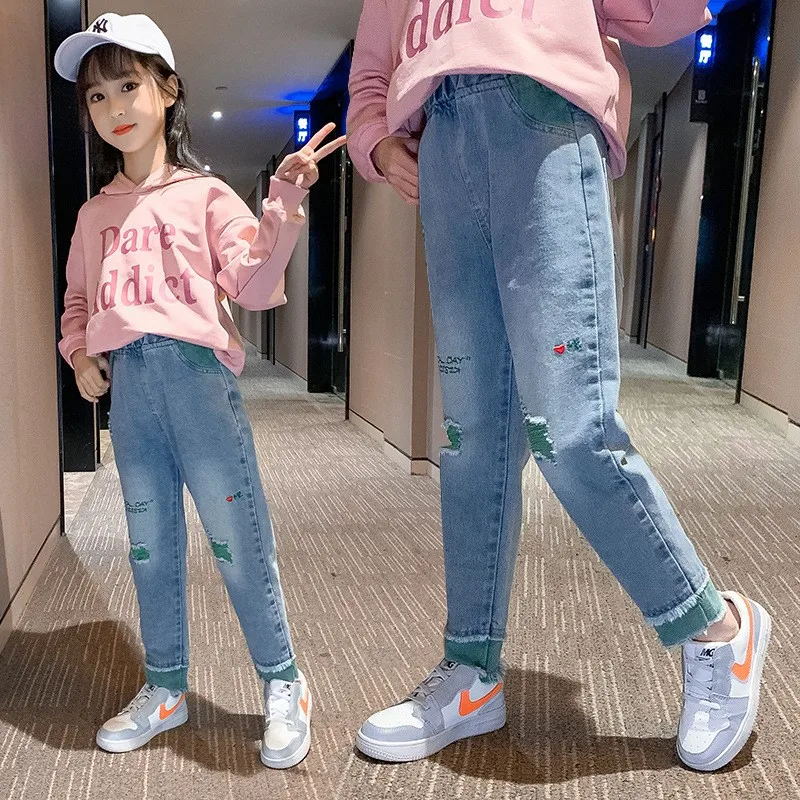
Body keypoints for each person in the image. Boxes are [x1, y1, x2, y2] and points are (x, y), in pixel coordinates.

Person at [347, 0, 771, 772]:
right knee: (472, 442)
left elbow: (667, 15)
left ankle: (715, 627)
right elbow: (370, 72)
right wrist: (376, 141)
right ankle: (471, 669)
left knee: (571, 430)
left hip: (540, 118)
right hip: (443, 146)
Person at [54, 12, 344, 768]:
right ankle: (165, 686)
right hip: (132, 395)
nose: (113, 108)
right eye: (96, 96)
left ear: (168, 88)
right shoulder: (93, 214)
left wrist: (283, 203)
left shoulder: (207, 196)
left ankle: (284, 682)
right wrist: (79, 354)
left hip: (196, 382)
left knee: (237, 541)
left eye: (128, 85)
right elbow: (78, 304)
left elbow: (253, 283)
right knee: (150, 548)